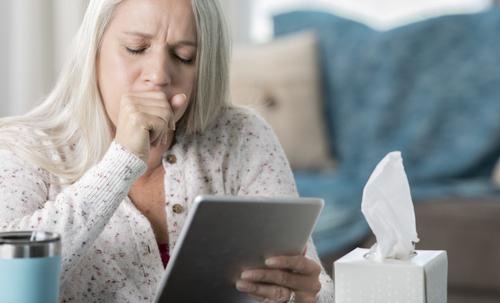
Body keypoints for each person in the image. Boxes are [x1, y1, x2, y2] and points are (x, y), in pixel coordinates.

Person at [0, 0, 334, 302]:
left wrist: (303, 297)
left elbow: (315, 282)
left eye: (184, 56)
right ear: (94, 50)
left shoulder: (241, 136)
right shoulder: (23, 147)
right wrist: (123, 161)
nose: (159, 76)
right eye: (136, 48)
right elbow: (7, 275)